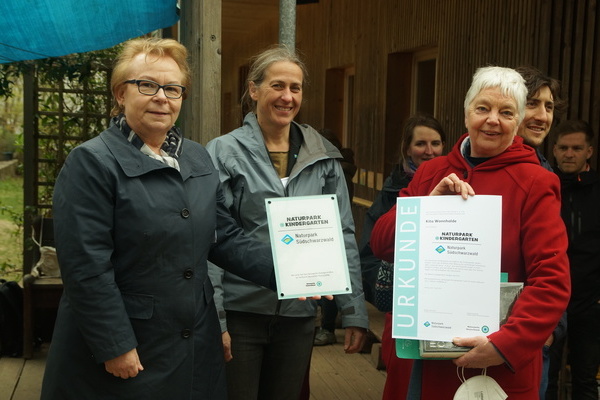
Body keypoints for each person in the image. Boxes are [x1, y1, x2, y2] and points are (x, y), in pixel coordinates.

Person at [40, 38, 280, 400]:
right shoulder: (92, 162)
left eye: (172, 88)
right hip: (129, 349)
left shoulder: (197, 158)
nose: (161, 97)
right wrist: (114, 344)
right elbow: (86, 267)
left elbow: (224, 237)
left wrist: (293, 270)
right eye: (147, 85)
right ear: (121, 94)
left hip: (194, 341)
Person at [370, 66, 570, 399]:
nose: (493, 119)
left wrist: (505, 345)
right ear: (466, 114)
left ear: (518, 121)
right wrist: (426, 206)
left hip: (492, 367)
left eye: (506, 112)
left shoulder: (536, 182)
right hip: (422, 359)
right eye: (483, 108)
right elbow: (381, 244)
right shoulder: (431, 172)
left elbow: (551, 279)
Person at [206, 46, 368, 400]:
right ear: (254, 90)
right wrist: (216, 319)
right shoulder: (223, 153)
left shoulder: (322, 156)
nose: (287, 96)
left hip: (299, 314)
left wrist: (353, 310)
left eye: (295, 88)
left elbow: (342, 233)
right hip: (240, 312)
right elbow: (212, 241)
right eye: (277, 85)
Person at [360, 114, 445, 399]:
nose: (429, 150)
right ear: (407, 148)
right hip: (404, 307)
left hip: (444, 309)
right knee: (402, 385)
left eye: (436, 143)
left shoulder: (459, 186)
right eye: (421, 143)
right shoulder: (392, 192)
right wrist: (392, 286)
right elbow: (370, 252)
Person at [514, 65, 568, 399]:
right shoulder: (472, 168)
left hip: (533, 330)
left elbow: (553, 260)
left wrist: (550, 328)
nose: (542, 115)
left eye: (548, 107)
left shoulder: (545, 171)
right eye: (532, 104)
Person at [549, 120, 600, 400]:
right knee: (547, 376)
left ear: (589, 151)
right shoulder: (546, 186)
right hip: (551, 298)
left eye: (577, 148)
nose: (570, 154)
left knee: (585, 379)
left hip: (589, 301)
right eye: (564, 148)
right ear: (554, 150)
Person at [313, 128, 357, 346]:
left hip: (327, 231)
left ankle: (327, 327)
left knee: (329, 285)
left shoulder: (337, 170)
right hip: (322, 230)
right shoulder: (342, 166)